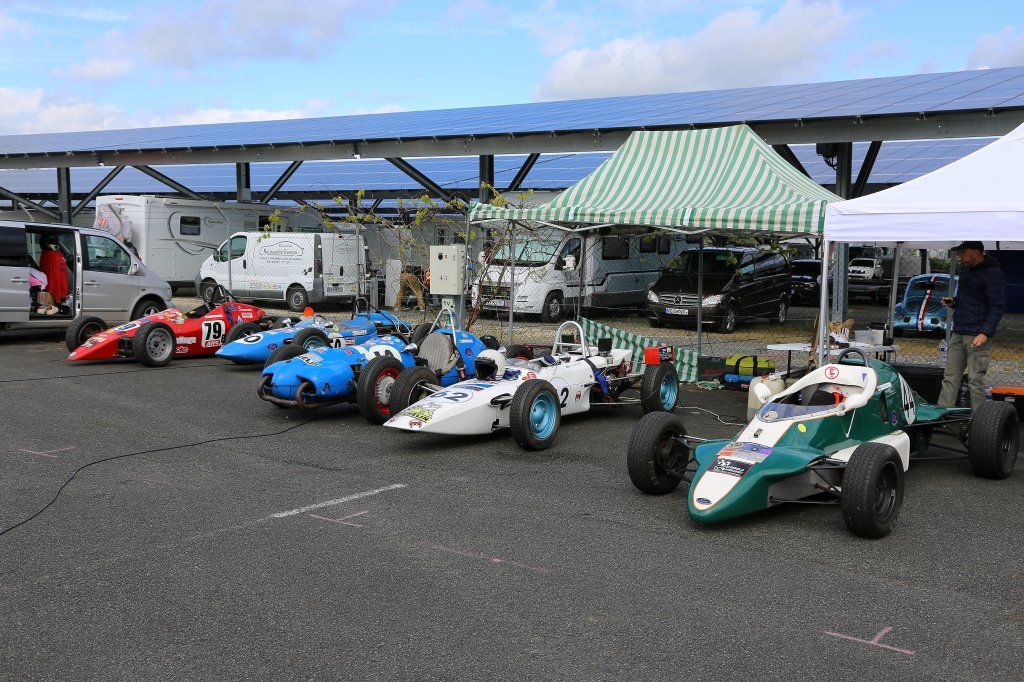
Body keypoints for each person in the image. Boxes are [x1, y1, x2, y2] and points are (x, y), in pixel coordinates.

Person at [937, 241, 1005, 410]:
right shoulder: (966, 270)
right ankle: (943, 414)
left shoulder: (993, 273)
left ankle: (979, 419)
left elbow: (997, 307)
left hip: (976, 334)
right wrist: (954, 302)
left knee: (975, 380)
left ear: (976, 252)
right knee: (950, 377)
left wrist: (984, 333)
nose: (959, 256)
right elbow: (969, 299)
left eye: (963, 252)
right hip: (959, 331)